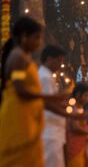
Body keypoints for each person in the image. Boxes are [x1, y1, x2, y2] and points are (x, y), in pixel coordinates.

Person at [0, 17, 65, 166]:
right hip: (18, 115)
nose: (39, 42)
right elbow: (20, 89)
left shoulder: (24, 57)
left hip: (27, 117)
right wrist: (50, 97)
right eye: (36, 37)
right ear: (24, 37)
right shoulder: (18, 57)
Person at [66, 83, 88, 167]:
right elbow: (74, 127)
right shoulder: (72, 107)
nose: (87, 99)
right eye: (86, 96)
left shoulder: (80, 109)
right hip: (73, 145)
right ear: (78, 94)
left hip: (81, 145)